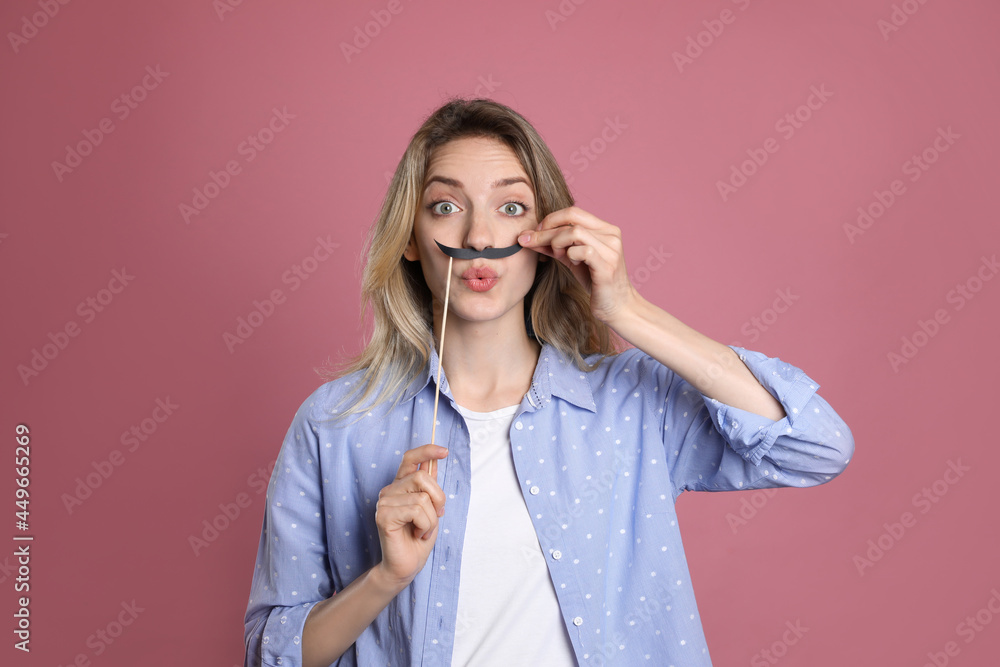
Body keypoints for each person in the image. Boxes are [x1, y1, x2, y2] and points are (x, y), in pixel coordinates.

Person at [242, 98, 855, 667]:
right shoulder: (336, 423)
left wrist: (629, 310)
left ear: (547, 239)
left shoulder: (631, 403)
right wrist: (386, 578)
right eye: (446, 207)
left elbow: (816, 447)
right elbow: (271, 651)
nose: (479, 238)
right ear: (409, 237)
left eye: (511, 208)